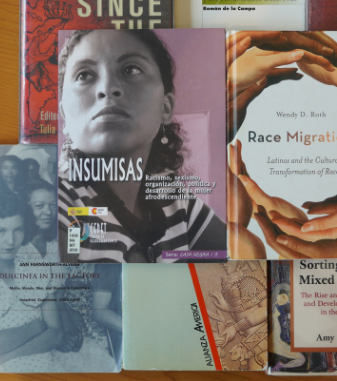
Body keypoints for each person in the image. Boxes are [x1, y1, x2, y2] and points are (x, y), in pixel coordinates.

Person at [56, 30, 225, 263]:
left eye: (131, 70)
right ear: (64, 115)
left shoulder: (177, 202)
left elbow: (242, 270)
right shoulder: (53, 200)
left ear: (165, 108)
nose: (107, 88)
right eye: (84, 75)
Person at [0, 192, 116, 372]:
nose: (10, 241)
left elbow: (56, 334)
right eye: (1, 231)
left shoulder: (36, 268)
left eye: (18, 230)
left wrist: (2, 357)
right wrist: (37, 327)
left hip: (41, 363)